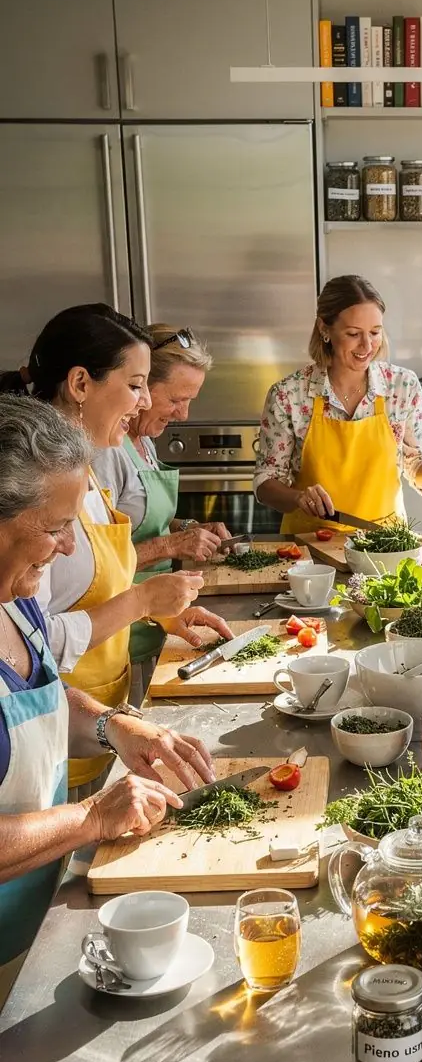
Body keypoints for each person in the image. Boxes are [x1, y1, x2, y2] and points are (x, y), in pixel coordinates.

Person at [0, 395, 216, 1004]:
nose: (69, 548)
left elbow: (41, 695)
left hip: (40, 933)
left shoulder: (19, 604)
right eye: (54, 527)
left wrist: (114, 726)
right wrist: (92, 818)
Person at [0, 305, 231, 790]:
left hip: (89, 726)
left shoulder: (90, 466)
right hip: (50, 745)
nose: (146, 401)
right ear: (81, 384)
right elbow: (35, 643)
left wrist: (159, 617)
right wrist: (142, 601)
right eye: (135, 384)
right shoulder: (35, 491)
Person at [254, 274, 422, 532]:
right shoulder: (288, 395)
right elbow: (265, 482)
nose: (367, 345)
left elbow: (418, 471)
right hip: (310, 550)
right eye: (353, 334)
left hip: (385, 545)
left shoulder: (402, 387)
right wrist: (298, 497)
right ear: (324, 328)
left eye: (375, 332)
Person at [92, 324, 231, 696]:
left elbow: (139, 519)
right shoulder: (105, 452)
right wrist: (171, 546)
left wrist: (187, 526)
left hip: (159, 621)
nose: (183, 414)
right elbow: (95, 566)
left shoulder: (142, 440)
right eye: (176, 399)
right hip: (118, 636)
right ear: (142, 388)